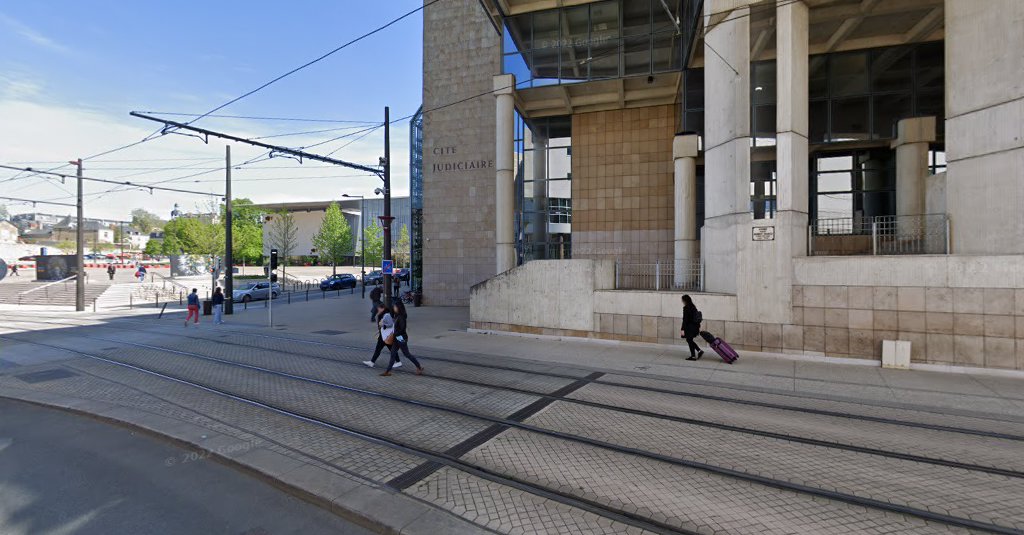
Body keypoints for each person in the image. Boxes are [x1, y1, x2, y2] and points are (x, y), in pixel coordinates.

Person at [381, 301, 423, 377]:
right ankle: (388, 371)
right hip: (396, 339)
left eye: (395, 307)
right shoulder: (396, 316)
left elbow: (402, 329)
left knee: (407, 354)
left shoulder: (401, 317)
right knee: (393, 354)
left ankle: (419, 367)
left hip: (401, 338)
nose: (394, 308)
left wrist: (394, 334)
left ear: (399, 308)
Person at [363, 302, 402, 369]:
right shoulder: (382, 314)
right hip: (383, 336)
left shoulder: (387, 315)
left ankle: (398, 362)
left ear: (383, 308)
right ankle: (372, 362)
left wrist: (383, 325)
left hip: (386, 336)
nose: (378, 310)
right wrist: (379, 330)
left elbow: (390, 324)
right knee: (379, 349)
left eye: (379, 309)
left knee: (390, 349)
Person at [680, 294, 704, 361]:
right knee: (689, 340)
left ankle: (693, 356)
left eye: (682, 300)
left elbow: (685, 320)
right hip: (695, 327)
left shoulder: (686, 308)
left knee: (689, 340)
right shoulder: (693, 307)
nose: (682, 301)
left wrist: (682, 329)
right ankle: (699, 351)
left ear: (685, 300)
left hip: (689, 327)